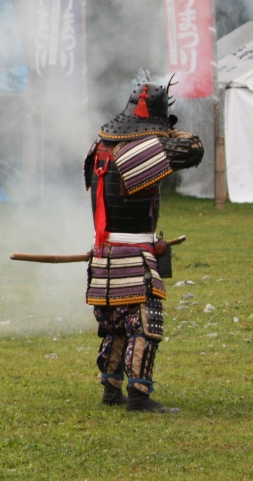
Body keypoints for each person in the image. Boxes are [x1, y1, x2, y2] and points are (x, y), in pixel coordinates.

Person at [83, 81, 203, 413]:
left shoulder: (100, 146)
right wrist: (168, 132)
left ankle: (110, 390)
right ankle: (139, 396)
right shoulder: (138, 151)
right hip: (132, 255)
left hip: (104, 253)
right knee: (145, 324)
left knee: (115, 324)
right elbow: (193, 149)